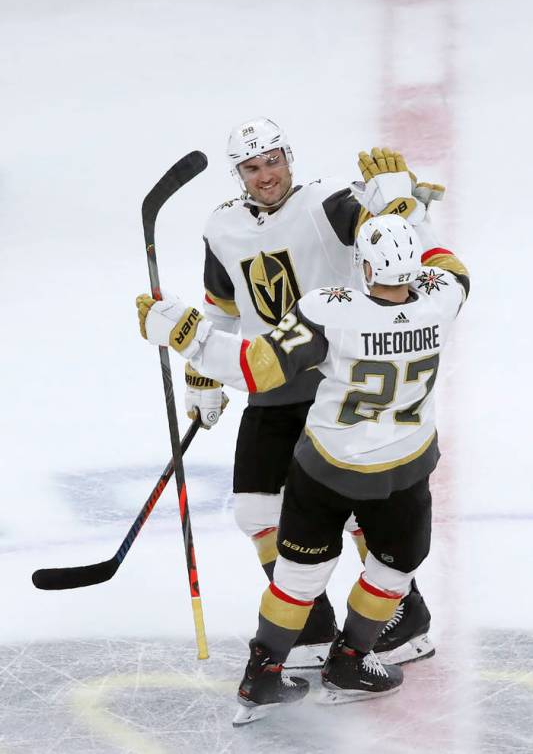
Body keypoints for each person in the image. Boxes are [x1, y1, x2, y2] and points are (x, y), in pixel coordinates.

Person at [136, 209, 468, 724]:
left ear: (365, 269)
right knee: (392, 571)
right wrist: (406, 206)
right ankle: (352, 661)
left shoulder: (330, 309)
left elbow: (257, 368)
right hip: (402, 470)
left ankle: (261, 677)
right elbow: (450, 267)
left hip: (326, 467)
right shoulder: (442, 301)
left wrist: (189, 337)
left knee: (296, 577)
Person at [181, 120, 440, 668]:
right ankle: (311, 623)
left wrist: (402, 204)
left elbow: (389, 242)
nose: (266, 175)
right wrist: (203, 375)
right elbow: (221, 308)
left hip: (331, 381)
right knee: (255, 510)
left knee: (349, 509)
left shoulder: (326, 201)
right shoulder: (221, 226)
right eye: (252, 168)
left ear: (289, 158)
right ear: (238, 174)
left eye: (273, 161)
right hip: (268, 379)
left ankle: (403, 616)